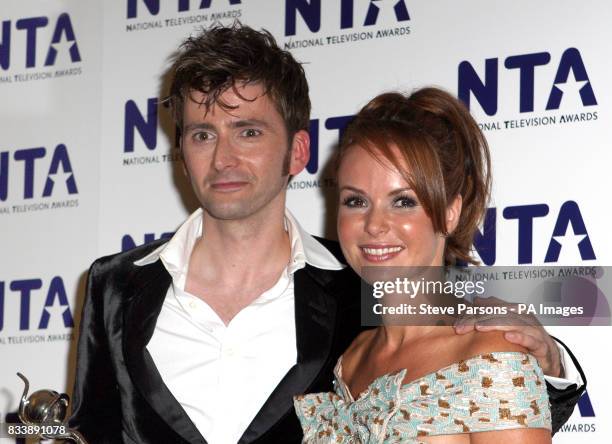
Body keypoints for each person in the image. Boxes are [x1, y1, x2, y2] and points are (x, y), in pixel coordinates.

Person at [69, 25, 584, 444]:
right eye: (203, 134)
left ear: (298, 151)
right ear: (181, 149)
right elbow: (85, 431)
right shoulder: (114, 284)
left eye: (248, 131)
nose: (223, 158)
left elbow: (517, 337)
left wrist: (551, 361)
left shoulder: (367, 276)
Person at [293, 88, 561, 443]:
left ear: (450, 213)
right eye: (356, 200)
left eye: (403, 201)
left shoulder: (491, 354)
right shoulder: (350, 358)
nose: (374, 225)